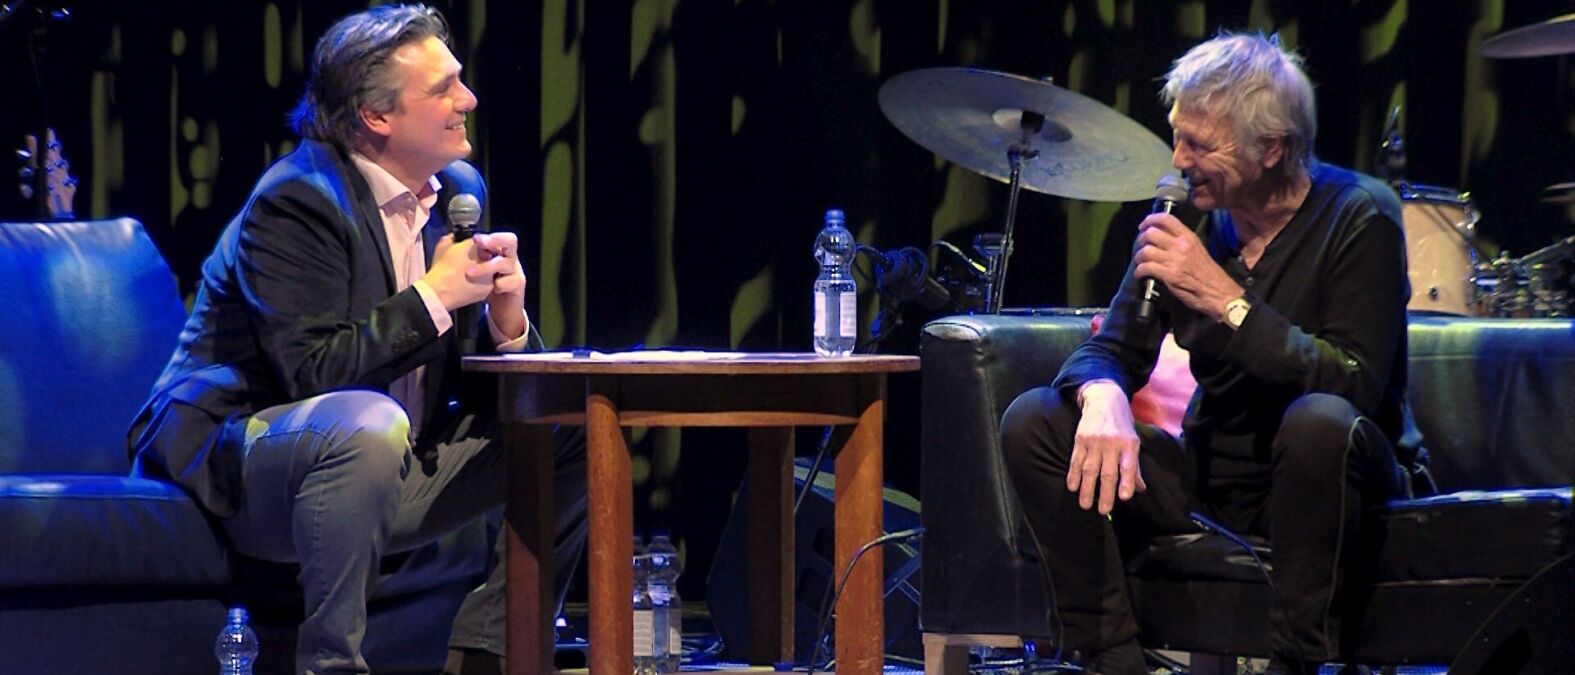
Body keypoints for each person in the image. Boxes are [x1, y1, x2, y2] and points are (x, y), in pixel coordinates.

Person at [125, 5, 587, 674]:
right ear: (377, 117)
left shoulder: (457, 191)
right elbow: (311, 374)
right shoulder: (296, 201)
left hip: (389, 464)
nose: (469, 100)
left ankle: (493, 651)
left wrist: (506, 320)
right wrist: (434, 296)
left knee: (571, 415)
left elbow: (468, 380)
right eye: (444, 88)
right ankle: (330, 664)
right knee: (368, 423)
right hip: (254, 469)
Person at [1001, 32, 1409, 675]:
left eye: (1200, 144)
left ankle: (1302, 664)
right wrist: (1101, 392)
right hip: (1215, 480)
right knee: (1035, 419)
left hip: (1336, 478)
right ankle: (1110, 657)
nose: (1178, 160)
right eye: (1177, 136)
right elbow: (1111, 347)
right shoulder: (1186, 219)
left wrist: (1226, 300)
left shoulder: (1360, 216)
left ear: (1271, 148)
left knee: (1317, 423)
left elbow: (1352, 384)